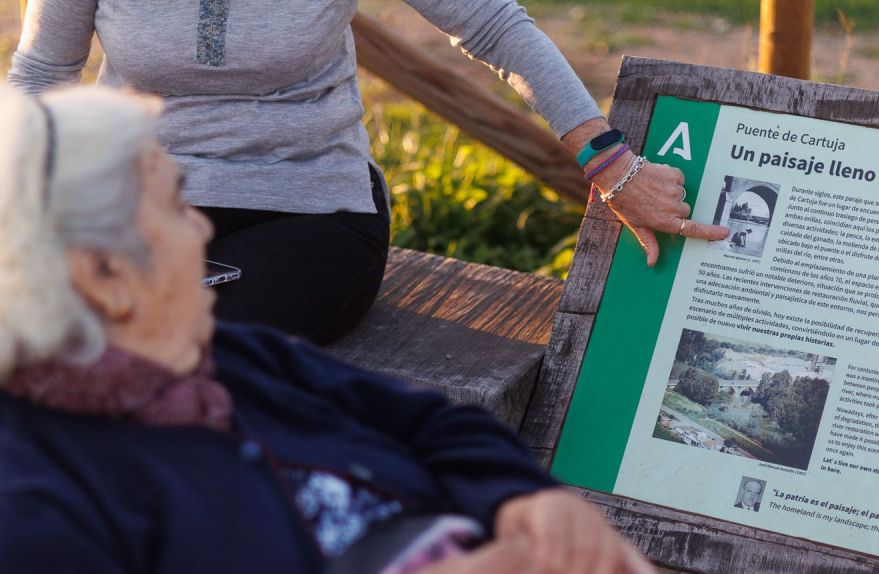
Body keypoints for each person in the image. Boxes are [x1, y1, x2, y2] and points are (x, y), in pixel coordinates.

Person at [0, 86, 655, 574]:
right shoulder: (39, 500)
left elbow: (432, 424)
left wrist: (525, 500)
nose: (202, 227)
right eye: (175, 205)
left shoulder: (232, 357)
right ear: (105, 275)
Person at [8, 0, 728, 345]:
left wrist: (611, 164)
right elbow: (44, 69)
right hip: (132, 199)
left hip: (306, 206)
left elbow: (494, 25)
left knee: (192, 353)